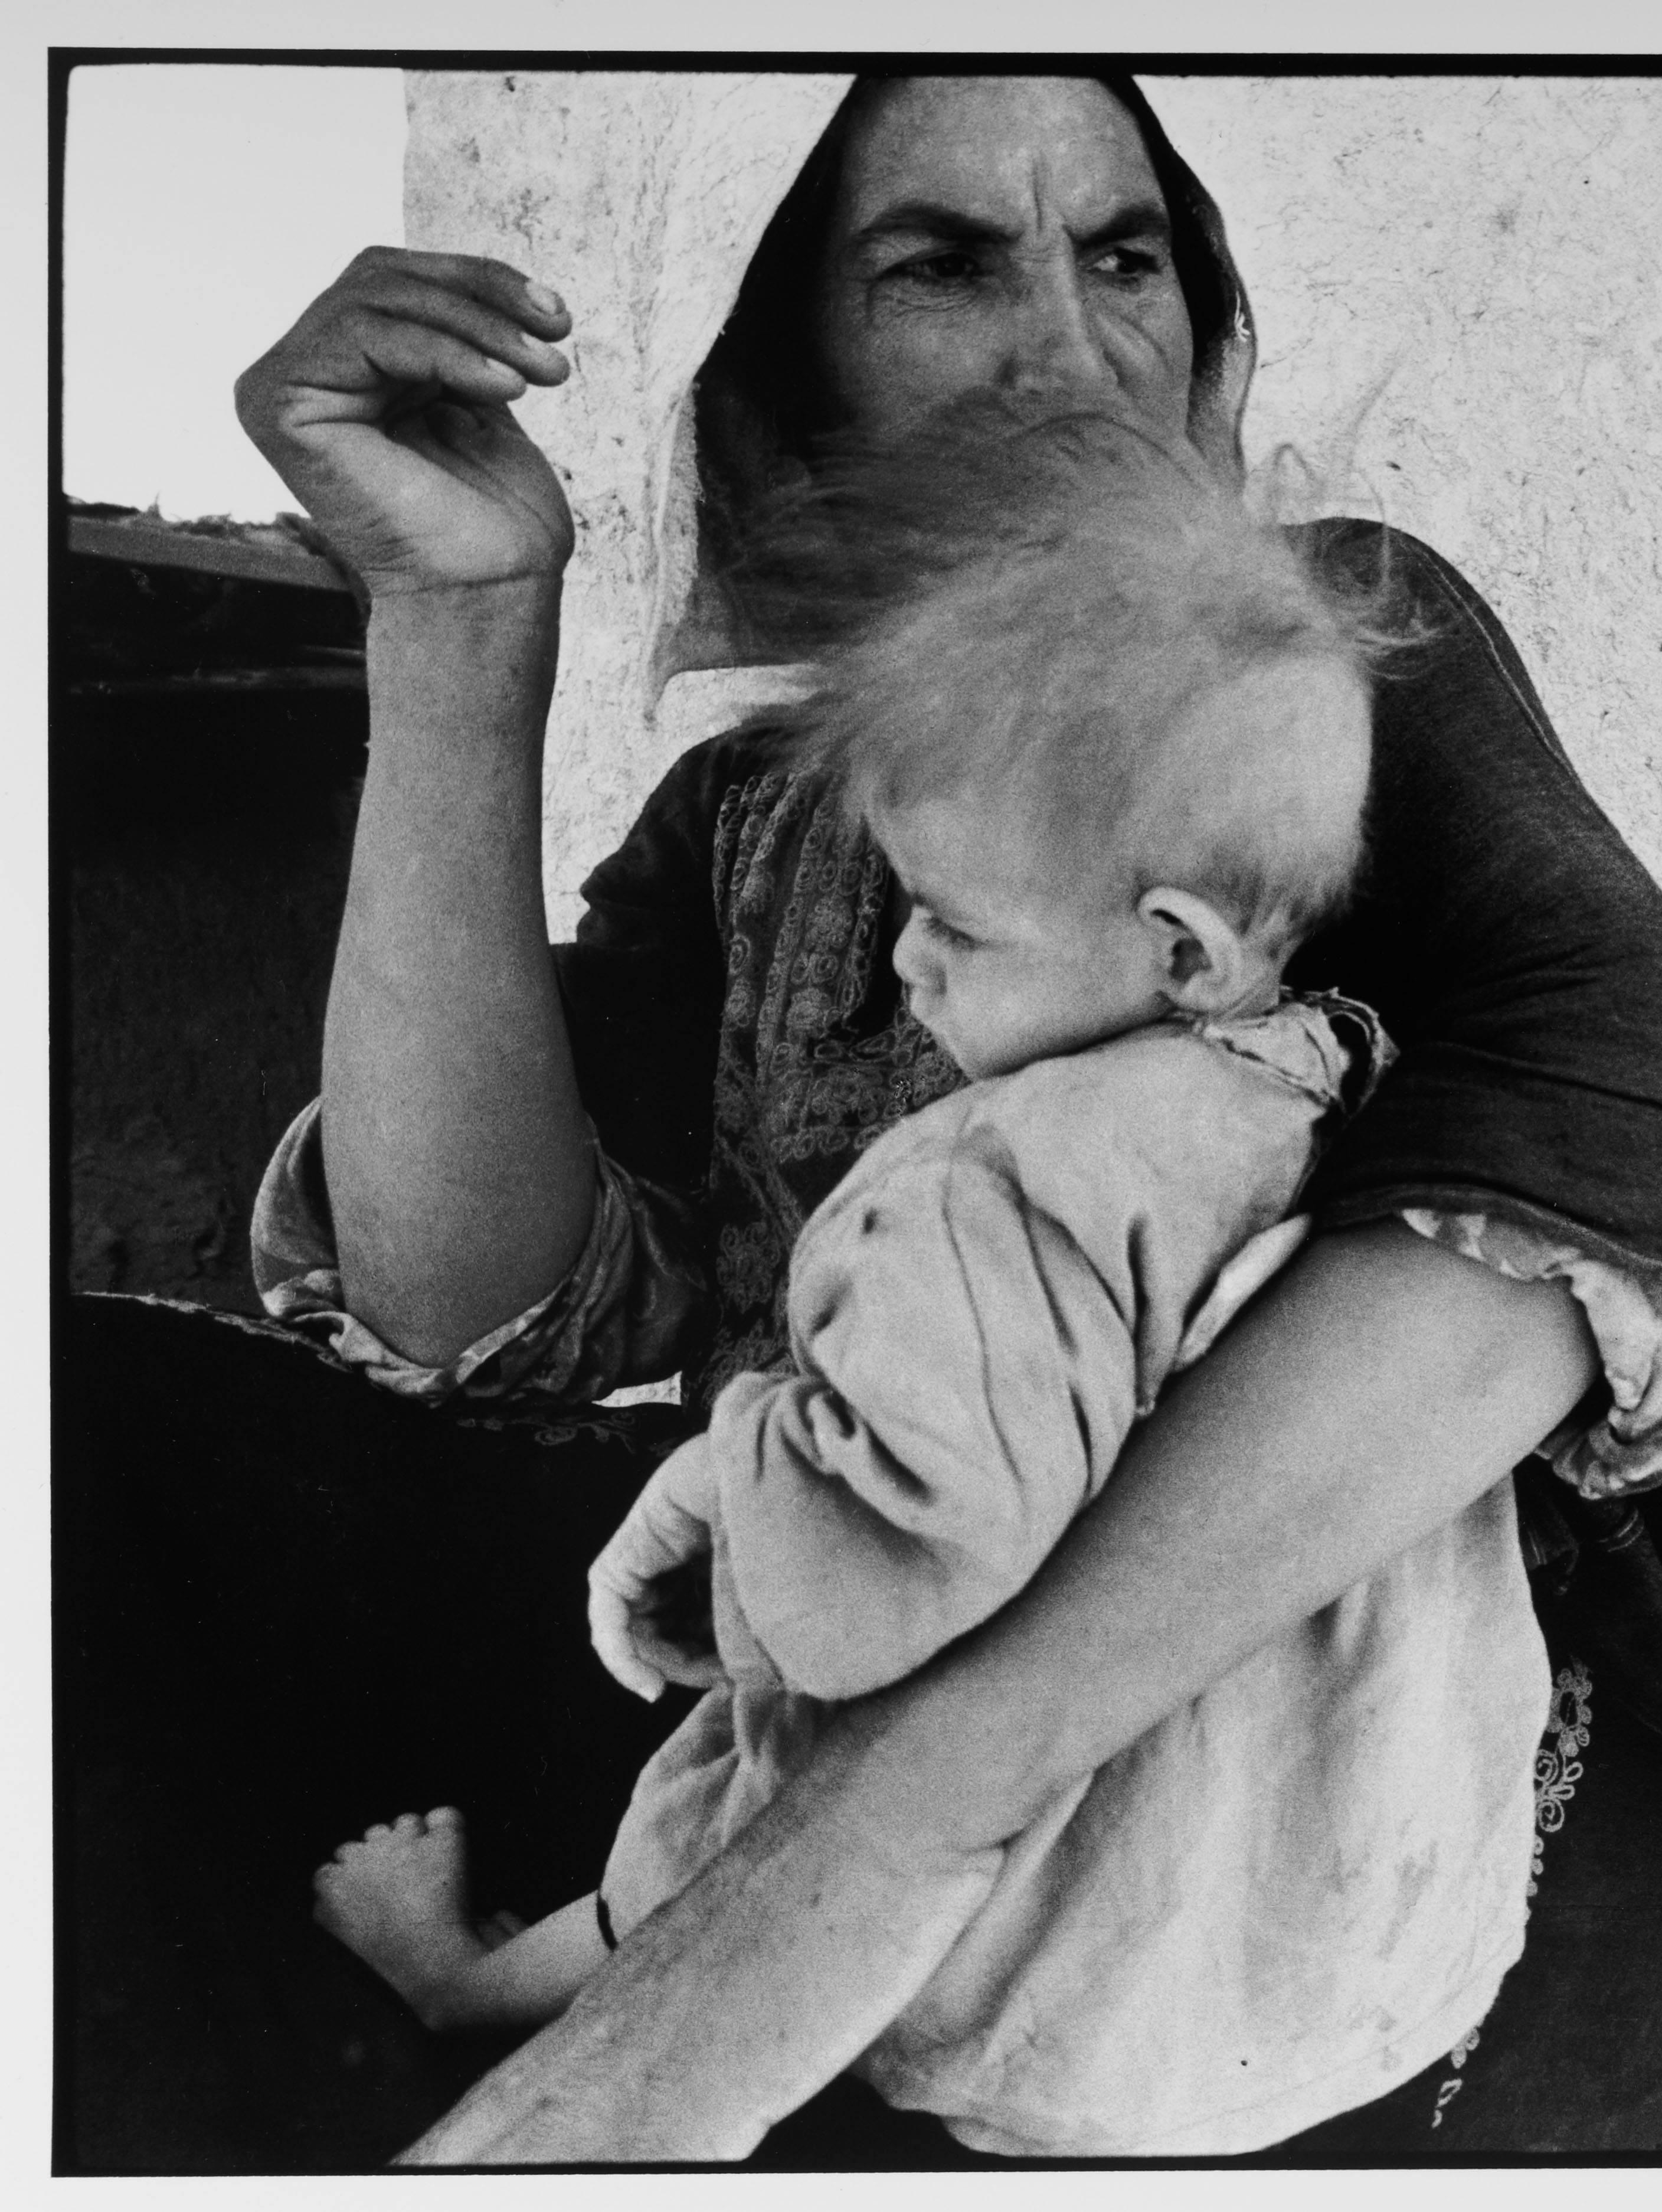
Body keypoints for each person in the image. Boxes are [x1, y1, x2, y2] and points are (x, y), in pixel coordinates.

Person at [55, 74, 1662, 2169]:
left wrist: (883, 1818)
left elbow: (1606, 1167)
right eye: (942, 264)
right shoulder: (775, 809)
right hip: (872, 1730)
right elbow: (473, 1289)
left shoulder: (1312, 657)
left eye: (1125, 256)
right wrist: (462, 629)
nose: (1071, 346)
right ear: (788, 356)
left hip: (1325, 1869)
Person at [302, 398, 1574, 2158]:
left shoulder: (994, 1188)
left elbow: (887, 1581)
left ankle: (463, 1980)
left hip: (1050, 1966)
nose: (902, 961)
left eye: (950, 921)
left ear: (1179, 944)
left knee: (710, 1828)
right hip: (1316, 1919)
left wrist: (740, 1475)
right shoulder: (1332, 1080)